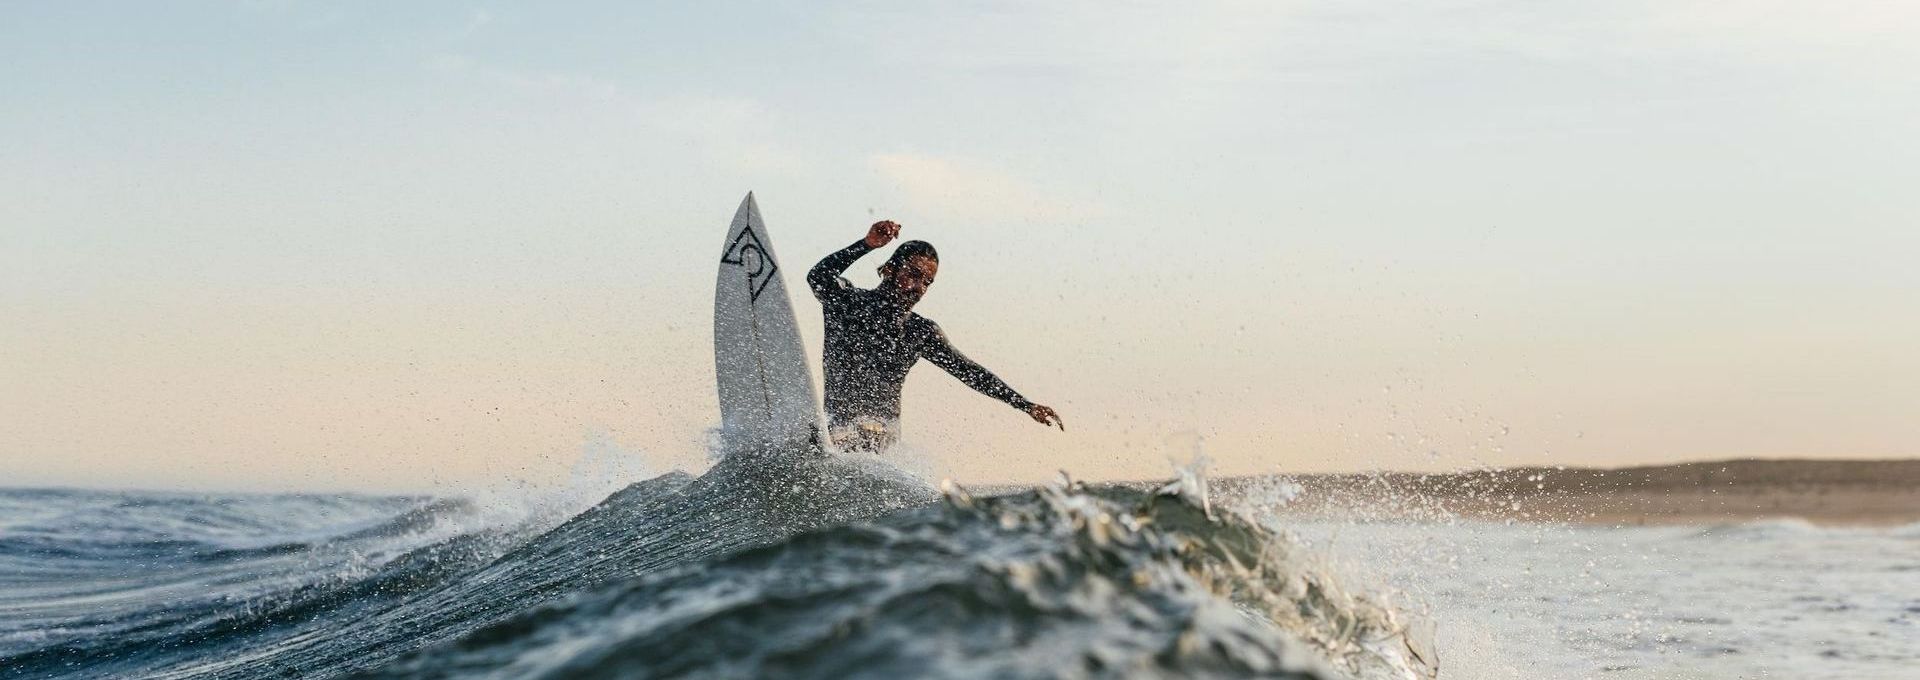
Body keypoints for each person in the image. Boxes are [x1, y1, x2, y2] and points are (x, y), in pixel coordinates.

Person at [807, 220, 1063, 452]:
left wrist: (1025, 405)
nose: (919, 288)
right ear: (890, 269)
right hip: (837, 435)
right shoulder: (847, 303)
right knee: (819, 436)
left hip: (882, 450)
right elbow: (818, 277)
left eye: (927, 282)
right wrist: (867, 244)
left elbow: (969, 371)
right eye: (913, 275)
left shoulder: (920, 332)